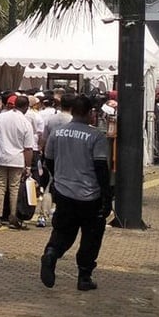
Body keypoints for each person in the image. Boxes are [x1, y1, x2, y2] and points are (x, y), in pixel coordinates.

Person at [40, 95, 110, 291]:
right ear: (90, 113)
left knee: (62, 231)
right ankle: (84, 276)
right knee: (91, 237)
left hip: (64, 192)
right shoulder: (96, 136)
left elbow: (49, 160)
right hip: (90, 195)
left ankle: (51, 253)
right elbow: (101, 168)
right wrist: (107, 197)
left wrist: (58, 179)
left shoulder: (57, 133)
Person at [0, 95, 35, 228]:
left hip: (0, 156)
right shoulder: (25, 122)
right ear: (26, 107)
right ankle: (13, 216)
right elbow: (28, 148)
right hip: (17, 158)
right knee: (14, 188)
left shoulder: (0, 117)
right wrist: (28, 167)